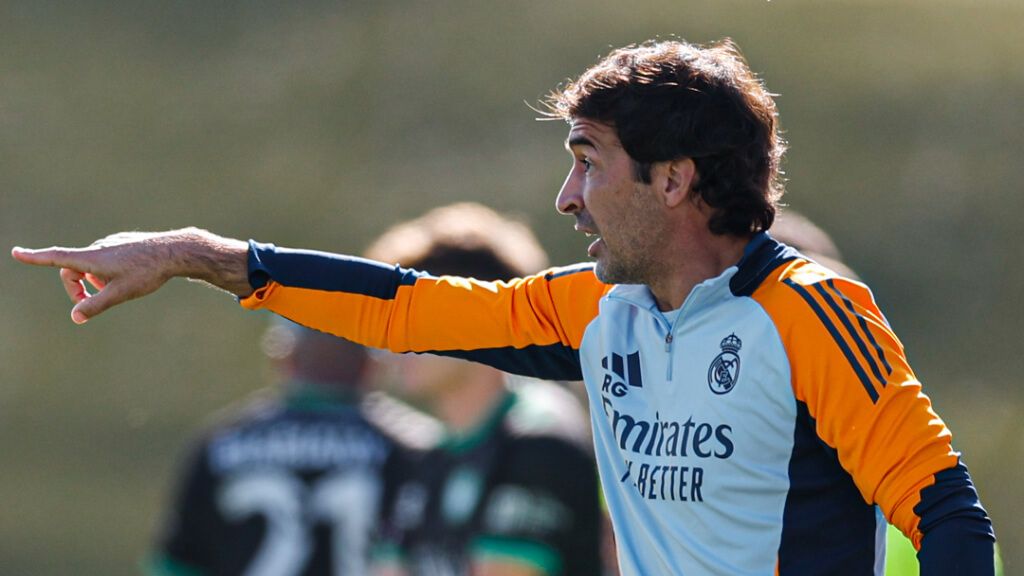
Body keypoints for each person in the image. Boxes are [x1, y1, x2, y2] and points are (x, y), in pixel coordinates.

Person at [12, 39, 996, 575]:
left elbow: (945, 511)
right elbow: (404, 309)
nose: (566, 201)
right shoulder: (591, 313)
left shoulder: (810, 311)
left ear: (672, 180)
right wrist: (197, 255)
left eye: (587, 165)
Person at [363, 203, 602, 576]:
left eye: (417, 315)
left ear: (481, 321)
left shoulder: (541, 441)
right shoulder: (418, 459)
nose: (396, 337)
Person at [147, 320, 402, 576]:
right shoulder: (406, 446)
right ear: (372, 365)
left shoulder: (221, 441)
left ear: (284, 357)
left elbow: (177, 566)